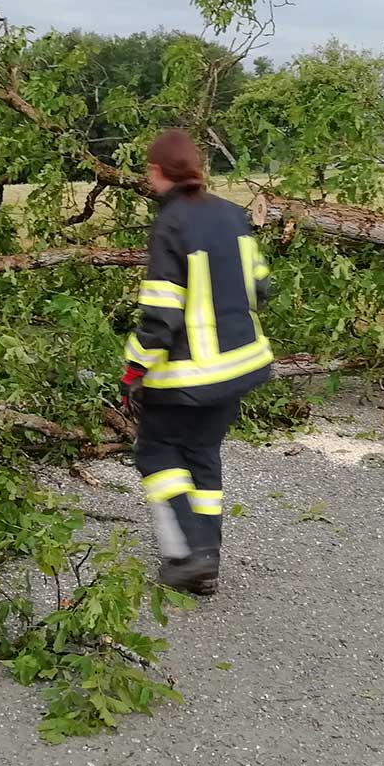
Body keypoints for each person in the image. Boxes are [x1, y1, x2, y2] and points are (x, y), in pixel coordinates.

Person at [121, 130, 273, 594]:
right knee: (202, 456)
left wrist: (133, 370)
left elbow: (161, 316)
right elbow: (261, 287)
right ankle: (206, 561)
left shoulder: (170, 225)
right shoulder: (231, 215)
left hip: (191, 374)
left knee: (155, 452)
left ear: (156, 172)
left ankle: (189, 552)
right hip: (242, 365)